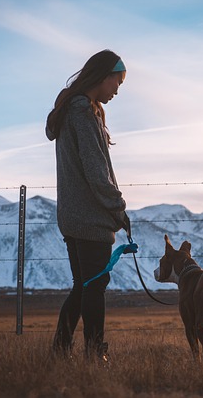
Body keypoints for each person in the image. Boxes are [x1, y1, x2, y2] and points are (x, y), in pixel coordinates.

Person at [45, 49, 130, 362]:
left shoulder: (70, 110)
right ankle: (95, 355)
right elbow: (97, 173)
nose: (117, 90)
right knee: (94, 288)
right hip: (90, 217)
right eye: (117, 82)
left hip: (71, 216)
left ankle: (60, 350)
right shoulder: (83, 112)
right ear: (104, 76)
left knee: (83, 286)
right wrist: (118, 209)